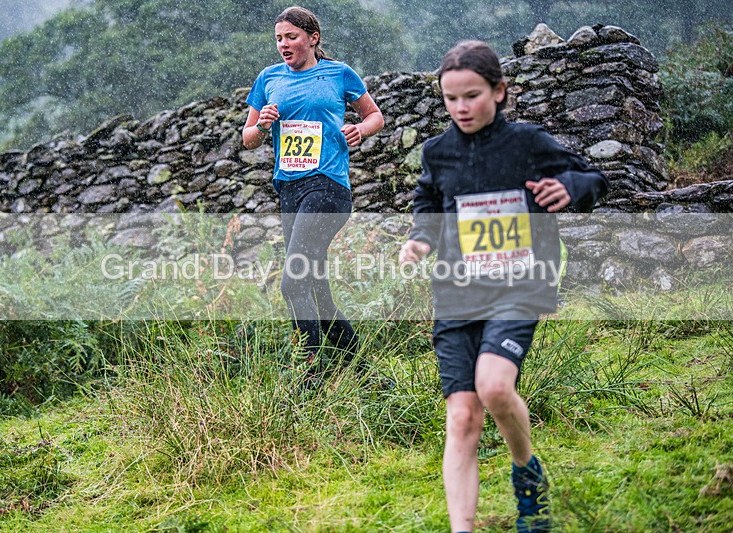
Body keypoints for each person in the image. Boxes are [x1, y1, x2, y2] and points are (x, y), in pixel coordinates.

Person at [399, 41, 608, 532]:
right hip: (456, 292)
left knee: (494, 386)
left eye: (472, 95)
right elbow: (428, 202)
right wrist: (420, 239)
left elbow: (592, 178)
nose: (461, 107)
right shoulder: (437, 151)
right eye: (451, 99)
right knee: (462, 417)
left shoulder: (528, 143)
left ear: (499, 90)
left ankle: (526, 473)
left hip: (519, 285)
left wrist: (570, 188)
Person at [242, 6, 384, 381]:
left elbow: (375, 116)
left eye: (291, 37)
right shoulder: (268, 78)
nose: (283, 44)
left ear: (312, 38)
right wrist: (262, 126)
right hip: (289, 191)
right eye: (278, 38)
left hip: (327, 187)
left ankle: (312, 376)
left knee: (293, 283)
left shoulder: (339, 73)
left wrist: (361, 130)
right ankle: (368, 377)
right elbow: (248, 138)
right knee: (317, 294)